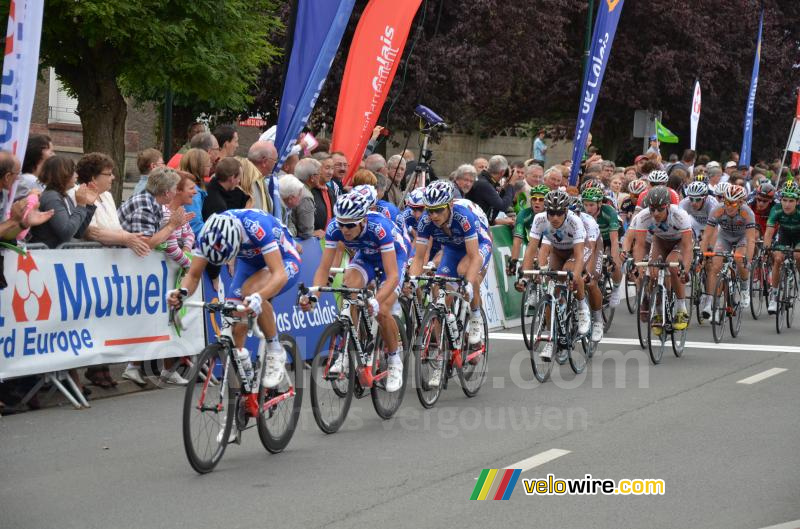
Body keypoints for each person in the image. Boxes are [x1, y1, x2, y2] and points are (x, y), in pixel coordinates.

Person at [169, 210, 302, 395]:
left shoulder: (255, 226)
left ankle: (275, 350)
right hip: (249, 264)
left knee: (251, 292)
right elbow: (193, 274)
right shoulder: (209, 234)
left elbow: (278, 274)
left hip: (282, 261)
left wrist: (259, 296)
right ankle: (244, 392)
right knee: (235, 318)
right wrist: (182, 292)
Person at [299, 191, 407, 392]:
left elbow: (392, 275)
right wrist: (314, 296)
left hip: (394, 257)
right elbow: (324, 268)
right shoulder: (335, 228)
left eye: (350, 225)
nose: (344, 230)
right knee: (349, 287)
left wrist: (377, 300)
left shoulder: (379, 228)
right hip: (366, 256)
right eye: (341, 224)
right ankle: (348, 349)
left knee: (383, 309)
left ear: (363, 220)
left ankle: (394, 361)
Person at [408, 181, 492, 380]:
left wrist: (469, 285)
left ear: (450, 206)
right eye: (430, 211)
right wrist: (412, 281)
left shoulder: (463, 216)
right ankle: (442, 352)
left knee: (466, 272)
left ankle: (475, 316)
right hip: (453, 249)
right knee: (439, 293)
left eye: (438, 210)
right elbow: (420, 258)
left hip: (478, 244)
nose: (433, 216)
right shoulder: (426, 221)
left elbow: (473, 257)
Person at [516, 190, 591, 355]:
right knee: (552, 290)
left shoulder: (575, 221)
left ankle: (581, 307)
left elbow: (579, 256)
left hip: (576, 250)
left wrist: (575, 277)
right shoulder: (540, 219)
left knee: (570, 272)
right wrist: (525, 277)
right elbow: (531, 249)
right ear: (546, 211)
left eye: (559, 213)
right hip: (557, 251)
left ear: (565, 211)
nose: (555, 217)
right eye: (551, 213)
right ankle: (552, 338)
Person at [626, 187, 694, 333]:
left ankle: (681, 309)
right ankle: (658, 311)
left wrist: (686, 270)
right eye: (652, 209)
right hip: (660, 241)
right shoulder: (643, 216)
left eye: (659, 209)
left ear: (668, 206)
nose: (655, 213)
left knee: (673, 265)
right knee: (652, 271)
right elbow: (639, 244)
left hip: (679, 242)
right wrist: (639, 267)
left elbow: (688, 246)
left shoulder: (680, 215)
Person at [72, 152, 151, 256]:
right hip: (89, 257)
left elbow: (117, 228)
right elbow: (91, 233)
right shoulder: (78, 193)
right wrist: (125, 239)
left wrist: (135, 238)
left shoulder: (107, 196)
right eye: (109, 174)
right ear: (94, 177)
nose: (113, 177)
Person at [699, 184, 756, 318]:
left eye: (733, 203)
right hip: (724, 237)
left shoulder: (747, 213)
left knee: (739, 258)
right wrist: (701, 254)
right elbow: (707, 235)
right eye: (726, 202)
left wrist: (748, 259)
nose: (729, 206)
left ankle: (744, 286)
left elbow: (751, 239)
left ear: (741, 202)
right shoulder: (717, 209)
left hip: (742, 238)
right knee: (715, 267)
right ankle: (711, 302)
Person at [30, 156, 97, 249]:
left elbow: (78, 232)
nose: (77, 175)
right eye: (73, 171)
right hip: (46, 257)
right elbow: (66, 232)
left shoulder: (63, 196)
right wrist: (81, 205)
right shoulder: (52, 198)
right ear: (62, 173)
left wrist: (88, 205)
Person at [582, 187, 623, 308]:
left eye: (591, 205)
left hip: (610, 238)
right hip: (594, 238)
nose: (588, 209)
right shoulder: (582, 213)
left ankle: (615, 289)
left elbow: (614, 240)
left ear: (599, 203)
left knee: (614, 262)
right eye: (585, 205)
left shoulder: (609, 212)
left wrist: (614, 258)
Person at [763, 183, 800, 314]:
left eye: (791, 201)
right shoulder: (776, 209)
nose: (787, 204)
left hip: (798, 237)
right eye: (784, 200)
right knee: (777, 258)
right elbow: (768, 232)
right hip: (784, 235)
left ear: (797, 201)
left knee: (798, 256)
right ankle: (774, 296)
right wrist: (766, 249)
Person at [506, 184, 549, 277]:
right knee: (521, 281)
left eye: (541, 199)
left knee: (541, 270)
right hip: (533, 244)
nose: (537, 202)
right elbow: (517, 240)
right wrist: (513, 260)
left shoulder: (551, 215)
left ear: (546, 202)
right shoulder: (524, 214)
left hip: (550, 245)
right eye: (534, 199)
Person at [466, 155, 514, 225]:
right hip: (474, 225)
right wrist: (511, 185)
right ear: (502, 172)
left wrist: (505, 187)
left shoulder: (486, 180)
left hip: (479, 223)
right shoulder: (484, 184)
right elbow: (503, 206)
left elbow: (496, 206)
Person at [179, 148, 211, 236]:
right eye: (208, 164)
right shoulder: (193, 192)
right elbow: (195, 225)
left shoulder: (186, 186)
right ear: (199, 166)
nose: (210, 166)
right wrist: (215, 235)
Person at [247, 141, 281, 218]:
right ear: (264, 161)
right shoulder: (244, 179)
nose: (275, 164)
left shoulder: (261, 178)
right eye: (275, 161)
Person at [280, 174, 314, 239]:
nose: (301, 197)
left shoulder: (287, 207)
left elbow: (292, 229)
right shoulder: (279, 210)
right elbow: (283, 235)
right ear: (290, 198)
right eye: (299, 194)